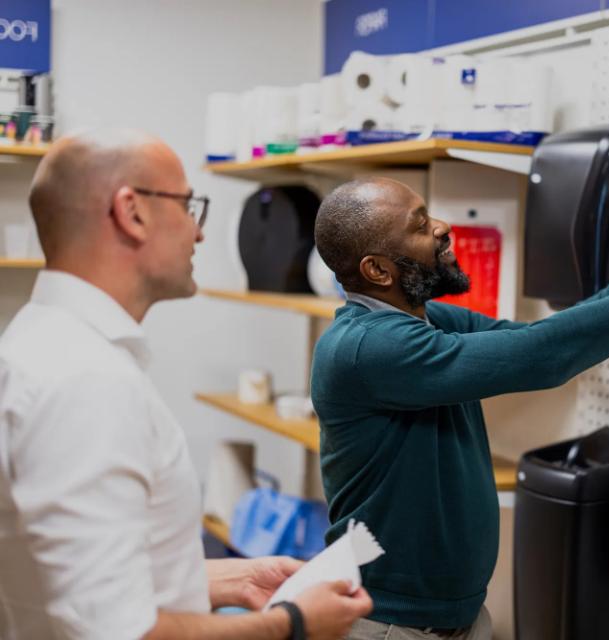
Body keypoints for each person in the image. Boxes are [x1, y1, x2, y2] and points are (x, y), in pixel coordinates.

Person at [311, 177, 609, 638]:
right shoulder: (367, 349)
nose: (442, 228)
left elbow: (545, 338)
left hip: (447, 618)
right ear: (378, 271)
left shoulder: (425, 321)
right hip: (387, 624)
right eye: (420, 226)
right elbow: (543, 358)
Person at [0, 130, 372, 640]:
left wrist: (234, 577)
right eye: (187, 206)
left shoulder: (44, 340)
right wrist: (292, 625)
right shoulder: (86, 380)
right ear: (132, 212)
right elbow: (120, 633)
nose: (198, 234)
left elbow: (82, 575)